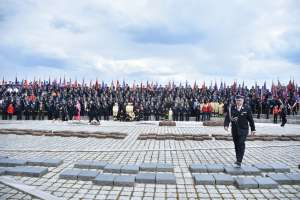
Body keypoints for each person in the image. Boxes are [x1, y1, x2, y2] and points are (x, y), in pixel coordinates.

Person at [224, 95, 256, 168]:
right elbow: (227, 118)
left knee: (241, 143)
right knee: (236, 144)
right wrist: (226, 125)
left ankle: (239, 160)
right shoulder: (231, 108)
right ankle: (237, 158)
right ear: (235, 101)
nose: (238, 102)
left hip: (243, 129)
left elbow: (251, 120)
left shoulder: (247, 108)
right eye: (237, 100)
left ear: (243, 101)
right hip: (234, 130)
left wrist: (253, 129)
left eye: (240, 100)